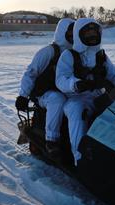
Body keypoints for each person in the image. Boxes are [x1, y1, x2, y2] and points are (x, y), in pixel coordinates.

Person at [55, 18, 115, 165]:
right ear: (79, 34)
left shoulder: (101, 55)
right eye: (87, 32)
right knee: (77, 112)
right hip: (76, 97)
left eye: (94, 32)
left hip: (99, 95)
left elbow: (114, 76)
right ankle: (79, 158)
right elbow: (61, 79)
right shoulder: (69, 55)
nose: (92, 35)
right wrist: (76, 85)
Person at [16, 18, 75, 160]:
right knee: (57, 99)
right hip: (44, 94)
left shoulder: (75, 53)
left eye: (75, 32)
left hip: (67, 91)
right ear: (62, 32)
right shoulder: (48, 52)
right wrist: (23, 95)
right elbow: (31, 73)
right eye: (70, 32)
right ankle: (51, 140)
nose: (73, 36)